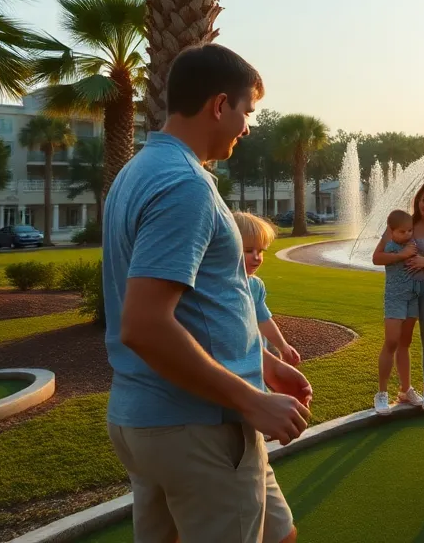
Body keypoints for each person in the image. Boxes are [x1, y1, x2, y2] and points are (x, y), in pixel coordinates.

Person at [102, 43, 311, 543]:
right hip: (198, 426)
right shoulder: (184, 185)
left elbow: (201, 306)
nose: (247, 127)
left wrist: (262, 363)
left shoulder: (138, 171)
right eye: (247, 111)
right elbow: (145, 325)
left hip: (151, 418)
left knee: (280, 533)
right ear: (221, 105)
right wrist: (251, 401)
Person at [371, 180, 424, 411]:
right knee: (402, 342)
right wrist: (402, 256)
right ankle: (404, 389)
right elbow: (377, 257)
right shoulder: (403, 223)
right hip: (407, 291)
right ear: (418, 199)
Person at [233, 211, 301, 365]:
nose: (257, 258)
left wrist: (284, 347)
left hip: (256, 360)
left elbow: (263, 319)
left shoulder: (255, 285)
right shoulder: (212, 286)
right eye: (249, 251)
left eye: (261, 251)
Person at [374, 209, 419, 414]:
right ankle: (381, 393)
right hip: (394, 298)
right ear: (391, 231)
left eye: (410, 230)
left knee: (405, 343)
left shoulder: (412, 242)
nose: (407, 234)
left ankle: (405, 389)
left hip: (413, 297)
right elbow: (376, 258)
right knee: (391, 341)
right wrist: (402, 255)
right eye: (402, 231)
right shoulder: (390, 244)